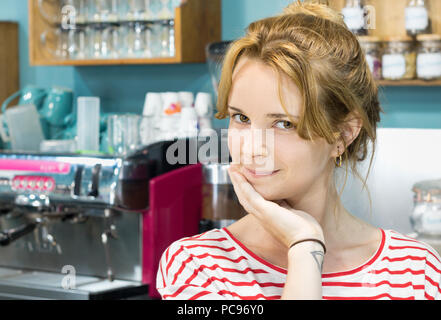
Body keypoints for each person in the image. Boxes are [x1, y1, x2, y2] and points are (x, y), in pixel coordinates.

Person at [156, 1, 441, 300]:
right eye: (241, 118)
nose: (252, 148)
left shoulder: (415, 272)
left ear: (343, 134)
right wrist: (304, 247)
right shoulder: (198, 267)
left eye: (283, 124)